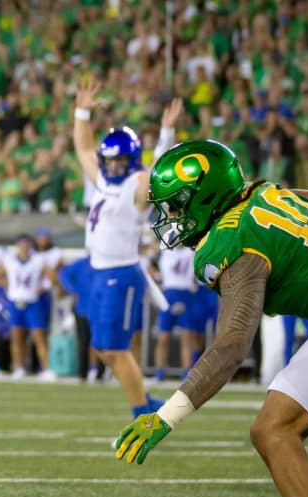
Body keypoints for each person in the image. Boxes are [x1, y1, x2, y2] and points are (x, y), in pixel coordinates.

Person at [114, 139, 308, 497]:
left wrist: (167, 415)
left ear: (205, 195)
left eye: (178, 204)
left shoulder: (228, 240)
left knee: (274, 429)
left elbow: (232, 345)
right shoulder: (264, 191)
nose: (172, 217)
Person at [73, 79, 181, 416]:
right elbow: (83, 148)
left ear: (132, 160)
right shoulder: (103, 179)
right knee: (103, 349)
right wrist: (82, 112)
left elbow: (159, 174)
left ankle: (142, 413)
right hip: (98, 271)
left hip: (120, 273)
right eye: (111, 160)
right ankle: (145, 402)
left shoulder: (137, 185)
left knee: (116, 350)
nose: (114, 165)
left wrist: (165, 135)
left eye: (121, 160)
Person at [0, 234, 52, 380]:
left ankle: (46, 368)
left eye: (26, 244)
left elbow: (51, 277)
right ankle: (18, 367)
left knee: (39, 337)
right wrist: (8, 287)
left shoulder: (38, 260)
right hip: (15, 301)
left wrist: (43, 286)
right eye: (21, 244)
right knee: (16, 337)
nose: (24, 247)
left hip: (32, 302)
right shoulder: (9, 260)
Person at [153, 245, 206, 380]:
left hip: (186, 294)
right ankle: (159, 371)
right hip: (168, 294)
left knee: (187, 337)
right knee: (163, 337)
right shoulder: (164, 251)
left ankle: (186, 371)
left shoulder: (191, 252)